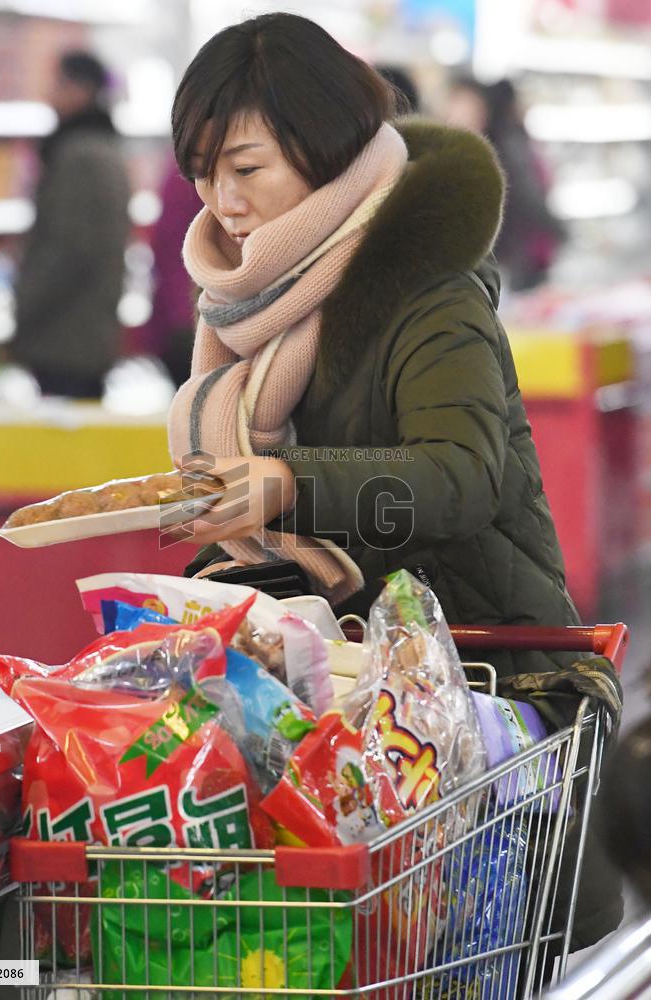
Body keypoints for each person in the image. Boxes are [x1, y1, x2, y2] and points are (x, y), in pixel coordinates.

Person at [164, 13, 622, 953]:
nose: (222, 199)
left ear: (325, 152)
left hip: (483, 690)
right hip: (352, 699)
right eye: (202, 171)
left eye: (245, 168)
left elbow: (458, 480)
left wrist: (286, 485)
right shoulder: (258, 313)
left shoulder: (429, 294)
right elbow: (286, 514)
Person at [11, 50, 130, 398]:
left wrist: (25, 311)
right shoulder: (101, 147)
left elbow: (68, 250)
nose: (49, 93)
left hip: (67, 337)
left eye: (58, 83)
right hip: (86, 332)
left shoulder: (81, 156)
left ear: (82, 89)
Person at [445, 76, 565, 291]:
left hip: (508, 259)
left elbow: (526, 197)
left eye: (464, 106)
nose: (453, 114)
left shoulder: (500, 147)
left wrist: (557, 231)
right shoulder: (455, 153)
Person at [138, 152, 202, 387]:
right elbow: (174, 251)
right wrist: (185, 318)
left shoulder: (186, 168)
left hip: (186, 320)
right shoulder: (190, 173)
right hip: (190, 324)